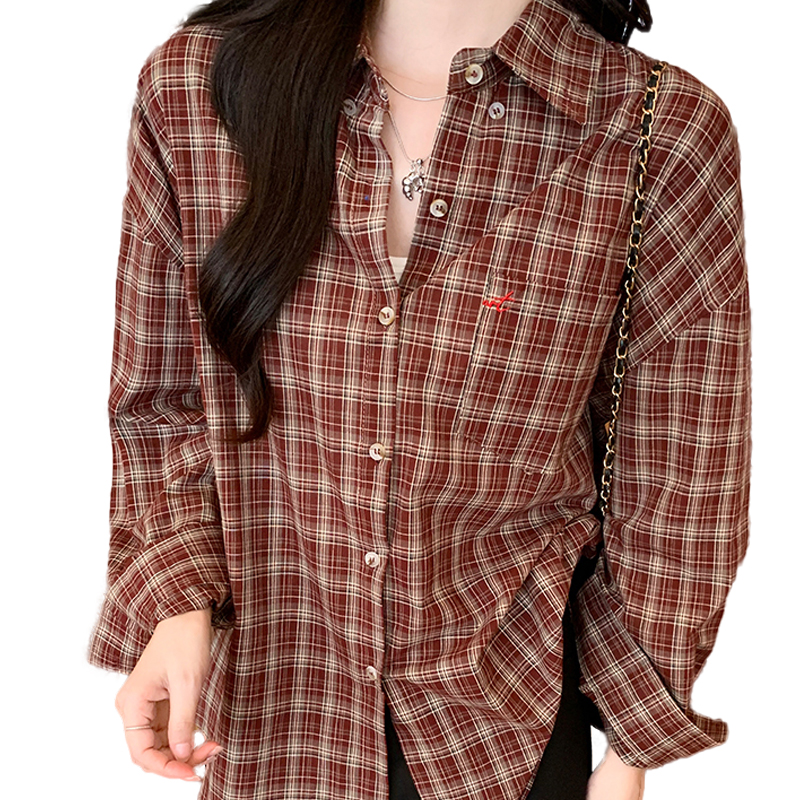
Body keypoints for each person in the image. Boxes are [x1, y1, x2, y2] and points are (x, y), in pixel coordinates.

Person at [88, 1, 751, 799]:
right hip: (277, 724)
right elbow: (162, 402)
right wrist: (177, 599)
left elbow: (683, 475)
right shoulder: (198, 90)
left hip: (509, 737)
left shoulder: (656, 131)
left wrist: (630, 750)